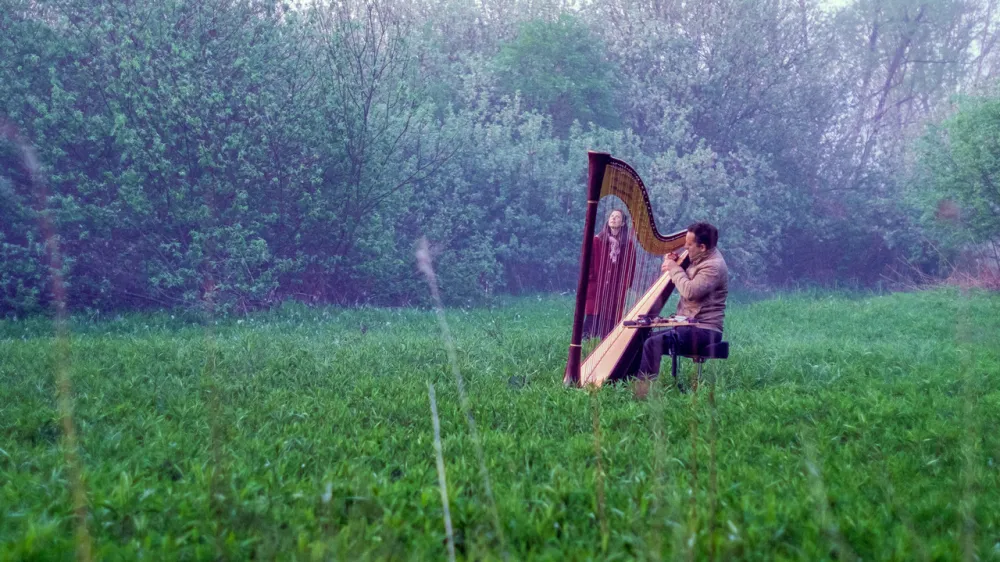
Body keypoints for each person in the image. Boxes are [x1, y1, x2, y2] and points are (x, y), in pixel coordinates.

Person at [636, 222, 728, 391]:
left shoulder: (714, 266)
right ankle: (628, 383)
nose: (685, 246)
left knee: (652, 343)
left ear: (702, 247)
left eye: (689, 244)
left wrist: (674, 268)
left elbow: (690, 291)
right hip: (690, 326)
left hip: (705, 330)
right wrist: (673, 263)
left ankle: (642, 394)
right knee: (640, 336)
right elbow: (684, 275)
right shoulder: (700, 257)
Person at [583, 209, 637, 339]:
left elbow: (631, 267)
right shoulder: (597, 240)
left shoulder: (628, 245)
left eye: (617, 217)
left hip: (615, 290)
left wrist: (623, 285)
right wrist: (592, 279)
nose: (613, 218)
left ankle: (606, 344)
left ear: (623, 223)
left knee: (610, 320)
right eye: (611, 216)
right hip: (596, 288)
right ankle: (586, 346)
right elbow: (587, 262)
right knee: (591, 318)